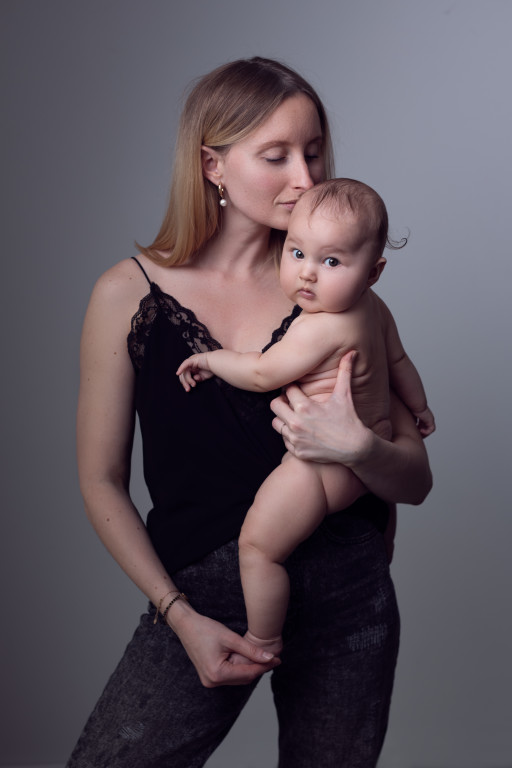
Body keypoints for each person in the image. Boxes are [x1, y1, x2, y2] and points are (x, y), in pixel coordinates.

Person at [68, 57, 432, 768]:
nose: (307, 177)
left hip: (350, 592)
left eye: (314, 150)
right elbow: (101, 480)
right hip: (204, 602)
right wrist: (178, 615)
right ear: (213, 165)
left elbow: (414, 481)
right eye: (277, 156)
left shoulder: (332, 283)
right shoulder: (125, 295)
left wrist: (357, 447)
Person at [176, 177, 435, 658]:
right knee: (373, 537)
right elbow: (400, 364)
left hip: (320, 468)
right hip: (372, 451)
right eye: (296, 253)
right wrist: (419, 409)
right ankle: (381, 555)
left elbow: (260, 372)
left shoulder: (320, 327)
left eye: (331, 261)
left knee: (257, 546)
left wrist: (211, 360)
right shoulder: (375, 310)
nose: (307, 274)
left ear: (374, 271)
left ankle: (264, 638)